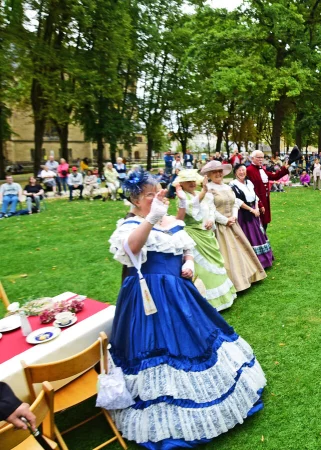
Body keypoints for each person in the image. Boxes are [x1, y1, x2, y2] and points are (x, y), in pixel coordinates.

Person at [104, 170, 266, 449]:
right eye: (148, 195)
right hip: (149, 297)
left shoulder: (169, 221)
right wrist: (151, 218)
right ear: (134, 199)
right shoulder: (130, 225)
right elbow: (131, 250)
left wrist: (188, 262)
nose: (156, 198)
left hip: (179, 291)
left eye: (157, 193)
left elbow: (184, 245)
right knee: (159, 345)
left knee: (196, 337)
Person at [173, 169, 238, 311]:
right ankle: (206, 303)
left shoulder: (198, 194)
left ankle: (223, 298)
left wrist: (210, 219)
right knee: (202, 269)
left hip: (207, 235)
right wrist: (203, 190)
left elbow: (209, 209)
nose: (191, 183)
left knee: (216, 263)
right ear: (181, 184)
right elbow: (193, 212)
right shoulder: (182, 198)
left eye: (192, 180)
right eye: (187, 181)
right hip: (194, 236)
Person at [203, 161, 267, 292]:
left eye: (220, 171)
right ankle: (234, 282)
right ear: (209, 174)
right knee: (227, 253)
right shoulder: (208, 189)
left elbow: (235, 202)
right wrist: (225, 220)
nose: (218, 174)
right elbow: (210, 210)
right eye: (214, 172)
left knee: (240, 249)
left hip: (233, 223)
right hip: (220, 227)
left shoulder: (227, 187)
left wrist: (234, 216)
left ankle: (247, 277)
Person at [230, 164, 274, 270]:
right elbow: (237, 201)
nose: (242, 172)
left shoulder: (249, 183)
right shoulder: (233, 185)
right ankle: (252, 262)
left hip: (254, 211)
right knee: (250, 235)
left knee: (259, 234)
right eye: (239, 170)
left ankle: (264, 260)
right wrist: (252, 210)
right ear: (235, 172)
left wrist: (258, 207)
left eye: (244, 170)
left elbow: (255, 196)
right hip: (244, 214)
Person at [245, 150, 289, 232]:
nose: (261, 159)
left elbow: (274, 176)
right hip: (256, 201)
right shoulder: (249, 170)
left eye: (262, 157)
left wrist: (284, 168)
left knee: (265, 222)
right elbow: (251, 189)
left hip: (265, 200)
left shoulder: (262, 169)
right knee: (258, 223)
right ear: (252, 158)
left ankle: (264, 240)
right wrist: (259, 204)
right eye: (258, 157)